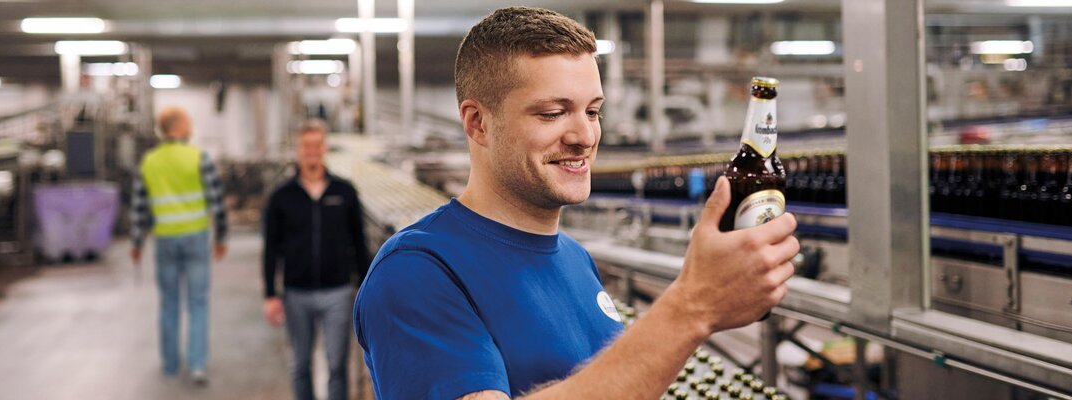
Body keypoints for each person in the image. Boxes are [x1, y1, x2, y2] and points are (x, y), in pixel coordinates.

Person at [353, 7, 799, 400]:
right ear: (478, 123)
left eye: (592, 111)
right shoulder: (419, 271)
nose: (584, 136)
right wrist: (690, 308)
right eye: (552, 113)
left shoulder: (575, 258)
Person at [262, 120, 370, 400]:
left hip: (338, 291)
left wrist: (365, 284)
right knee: (300, 365)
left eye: (316, 145)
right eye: (305, 145)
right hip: (296, 292)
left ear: (324, 148)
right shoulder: (282, 196)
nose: (311, 151)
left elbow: (358, 241)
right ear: (297, 150)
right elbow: (271, 248)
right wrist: (270, 295)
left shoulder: (344, 192)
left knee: (336, 365)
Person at [130, 106, 228, 386]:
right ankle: (196, 365)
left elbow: (140, 208)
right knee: (197, 303)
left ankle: (171, 363)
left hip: (165, 240)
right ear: (178, 126)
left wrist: (137, 242)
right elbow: (217, 201)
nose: (191, 125)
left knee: (169, 302)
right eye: (188, 121)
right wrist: (220, 237)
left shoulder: (149, 161)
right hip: (196, 238)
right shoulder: (198, 158)